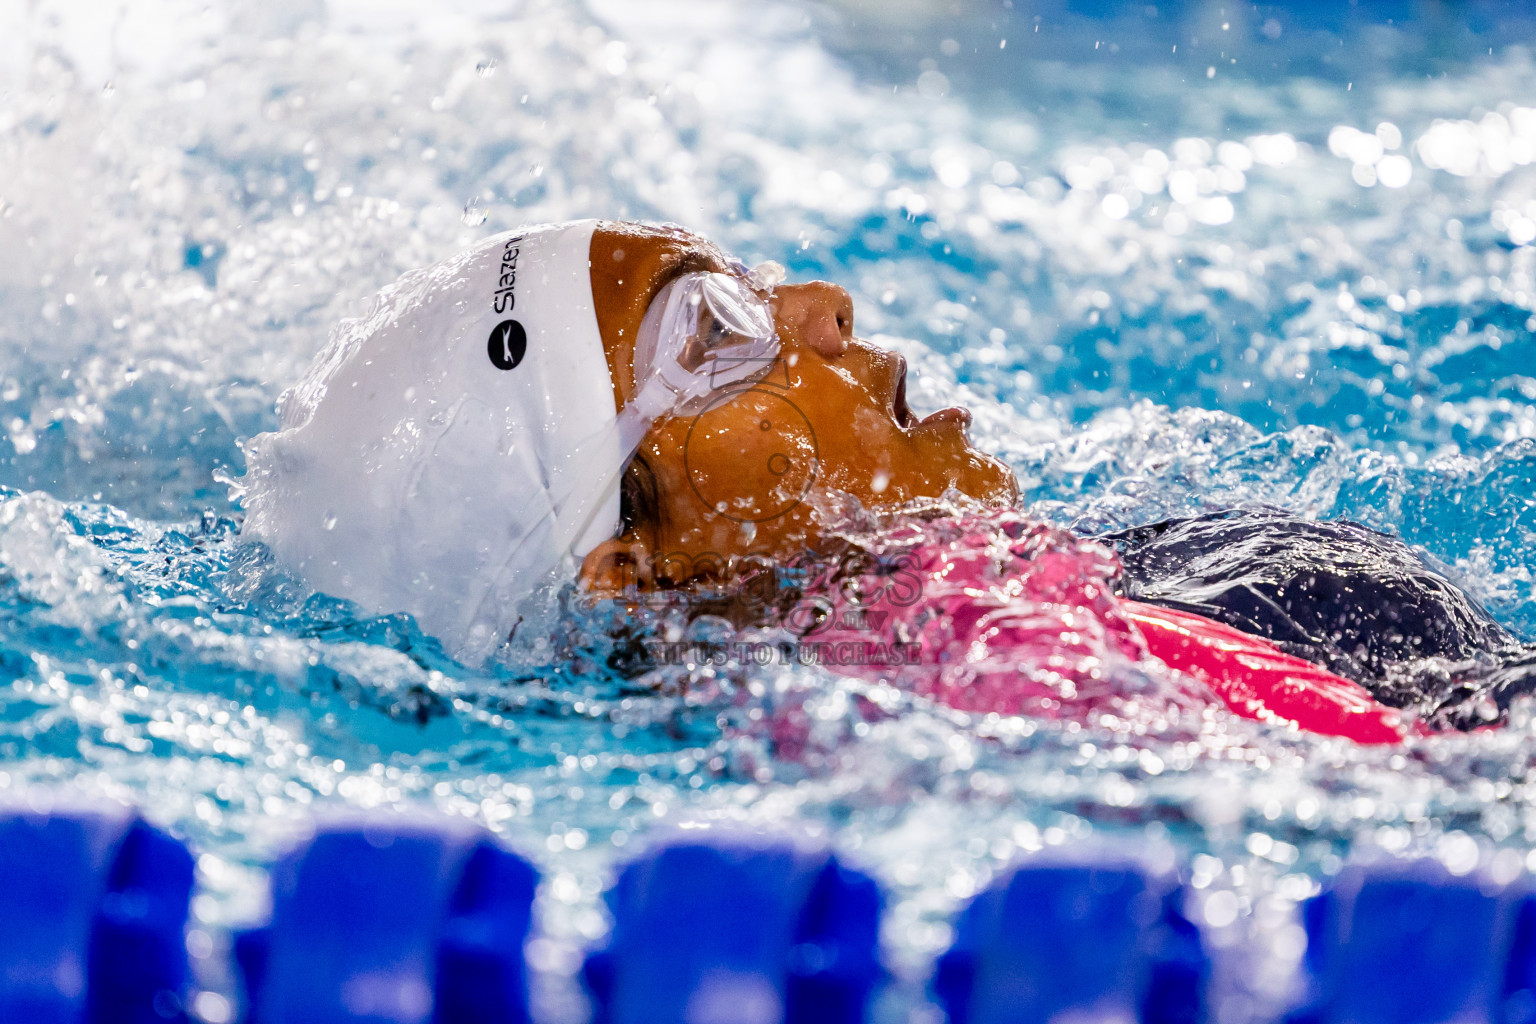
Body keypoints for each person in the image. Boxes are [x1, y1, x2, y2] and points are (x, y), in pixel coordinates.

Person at [241, 220, 1529, 742]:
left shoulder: (975, 613)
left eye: (748, 274)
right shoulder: (961, 653)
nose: (820, 309)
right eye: (715, 333)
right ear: (631, 570)